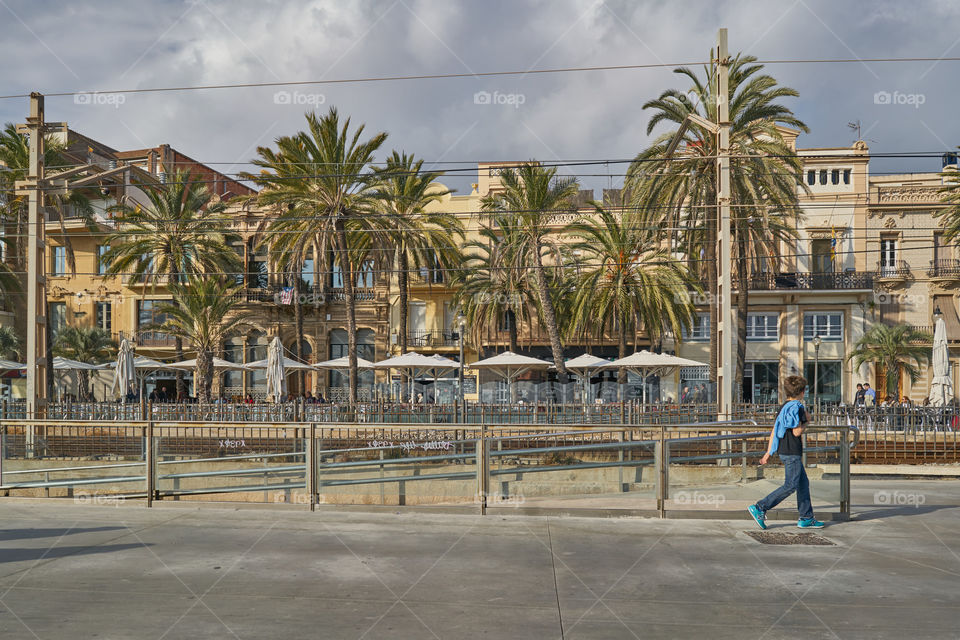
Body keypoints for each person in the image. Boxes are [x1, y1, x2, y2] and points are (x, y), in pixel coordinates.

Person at [748, 375, 825, 530]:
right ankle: (760, 507)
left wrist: (768, 453)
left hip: (783, 450)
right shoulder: (798, 407)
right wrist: (807, 421)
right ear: (803, 392)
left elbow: (774, 431)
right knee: (790, 485)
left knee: (803, 483)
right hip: (793, 452)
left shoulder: (783, 407)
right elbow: (797, 432)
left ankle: (806, 517)